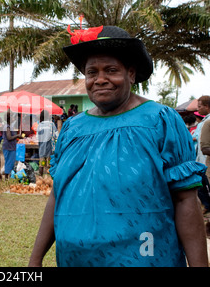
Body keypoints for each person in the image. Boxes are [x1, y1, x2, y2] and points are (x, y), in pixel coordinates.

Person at [29, 25, 208, 267]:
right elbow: (57, 195)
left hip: (145, 259)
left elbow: (186, 200)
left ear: (131, 74)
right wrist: (35, 259)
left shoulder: (160, 121)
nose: (100, 80)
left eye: (111, 70)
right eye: (92, 72)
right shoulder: (72, 128)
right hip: (76, 259)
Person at [37, 110, 58, 176]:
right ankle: (49, 180)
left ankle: (40, 178)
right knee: (50, 165)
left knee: (41, 165)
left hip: (41, 149)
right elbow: (56, 136)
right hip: (50, 149)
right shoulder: (51, 124)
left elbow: (38, 137)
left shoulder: (39, 125)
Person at [2, 112, 22, 179]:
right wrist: (17, 135)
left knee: (10, 162)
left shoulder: (9, 126)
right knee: (9, 162)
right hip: (9, 147)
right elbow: (9, 137)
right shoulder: (7, 127)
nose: (14, 118)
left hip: (10, 147)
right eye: (13, 117)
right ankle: (6, 178)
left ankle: (8, 177)